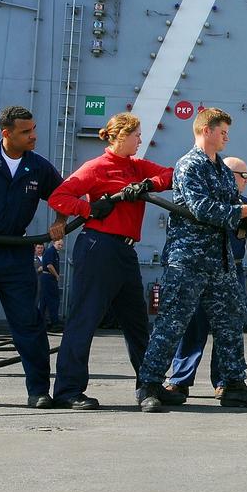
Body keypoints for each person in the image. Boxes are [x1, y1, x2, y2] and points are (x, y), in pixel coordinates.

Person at [136, 108, 247, 412]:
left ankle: (233, 384)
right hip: (189, 261)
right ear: (206, 130)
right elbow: (202, 209)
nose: (226, 137)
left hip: (220, 262)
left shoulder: (222, 170)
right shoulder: (189, 166)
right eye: (222, 131)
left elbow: (228, 206)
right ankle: (149, 385)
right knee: (172, 323)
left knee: (230, 323)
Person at [47, 112, 182, 410]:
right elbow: (59, 197)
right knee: (85, 320)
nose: (140, 140)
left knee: (137, 324)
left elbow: (172, 176)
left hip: (124, 252)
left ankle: (149, 386)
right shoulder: (96, 168)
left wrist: (146, 185)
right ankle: (68, 391)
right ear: (121, 136)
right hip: (98, 248)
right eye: (136, 135)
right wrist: (89, 208)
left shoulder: (136, 167)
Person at [0, 106, 66, 408]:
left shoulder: (39, 167)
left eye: (33, 129)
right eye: (26, 132)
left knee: (28, 324)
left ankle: (38, 392)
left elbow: (63, 194)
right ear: (7, 134)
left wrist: (59, 220)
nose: (33, 136)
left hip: (15, 256)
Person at [164, 157, 247, 400]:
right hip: (201, 273)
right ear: (229, 175)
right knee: (192, 326)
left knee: (228, 331)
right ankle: (180, 380)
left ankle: (223, 382)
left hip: (232, 273)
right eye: (243, 175)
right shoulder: (205, 204)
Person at [37, 239, 63, 330]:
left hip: (47, 279)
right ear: (54, 243)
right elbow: (49, 265)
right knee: (53, 300)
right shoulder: (51, 252)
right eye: (59, 244)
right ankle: (54, 323)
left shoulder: (53, 252)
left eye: (61, 245)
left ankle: (40, 322)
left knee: (44, 301)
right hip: (49, 278)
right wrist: (56, 275)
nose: (61, 246)